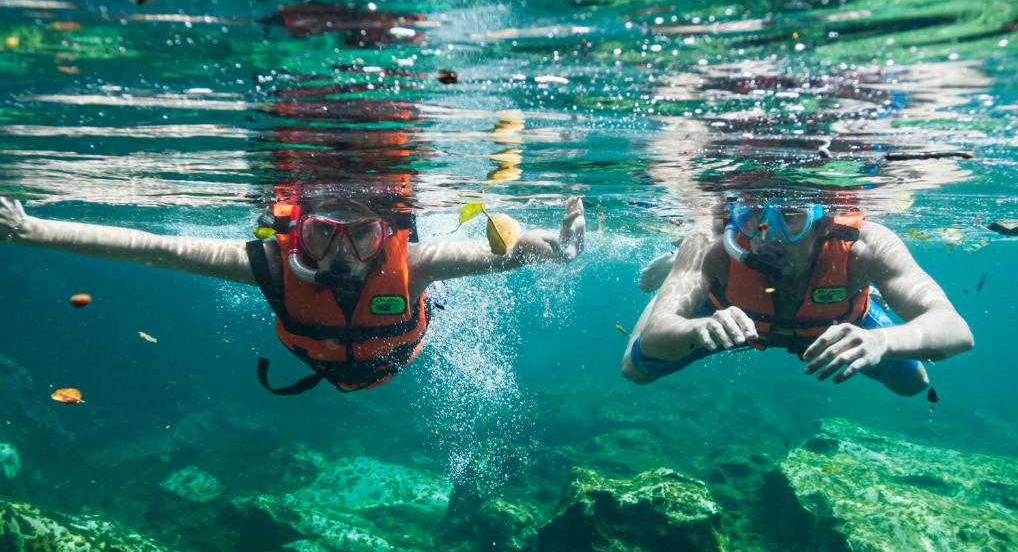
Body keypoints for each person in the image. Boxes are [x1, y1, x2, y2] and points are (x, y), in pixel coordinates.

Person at [0, 193, 585, 394]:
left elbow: (503, 253)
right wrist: (32, 230)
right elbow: (156, 247)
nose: (340, 256)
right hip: (320, 361)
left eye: (360, 237)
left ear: (385, 233)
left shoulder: (418, 265)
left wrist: (557, 247)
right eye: (320, 236)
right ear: (296, 233)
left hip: (399, 354)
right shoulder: (272, 267)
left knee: (437, 296)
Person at [621, 201, 973, 396]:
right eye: (753, 214)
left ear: (823, 223)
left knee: (914, 385)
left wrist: (882, 341)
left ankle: (869, 295)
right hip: (724, 315)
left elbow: (955, 330)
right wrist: (695, 328)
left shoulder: (865, 246)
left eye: (790, 217)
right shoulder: (710, 245)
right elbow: (652, 343)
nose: (766, 235)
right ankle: (673, 284)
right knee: (635, 370)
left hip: (835, 323)